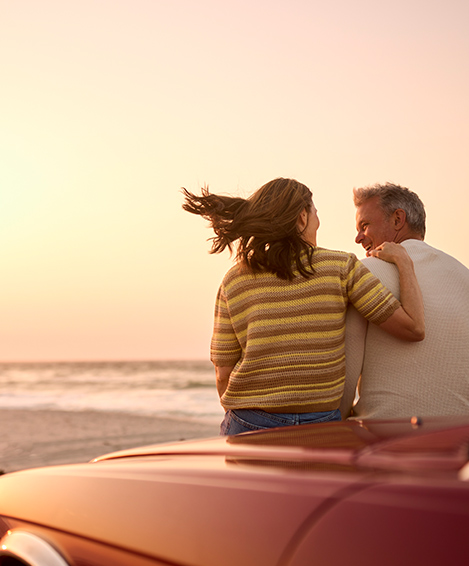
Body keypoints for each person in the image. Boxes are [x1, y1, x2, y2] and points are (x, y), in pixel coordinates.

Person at [182, 178, 425, 435]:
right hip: (320, 423)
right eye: (315, 214)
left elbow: (223, 372)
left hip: (248, 422)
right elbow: (414, 328)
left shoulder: (233, 281)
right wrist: (404, 263)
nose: (318, 222)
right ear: (301, 218)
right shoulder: (341, 267)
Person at [341, 182, 469, 420]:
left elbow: (347, 372)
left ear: (398, 220)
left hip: (387, 438)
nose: (357, 238)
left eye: (365, 225)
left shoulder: (365, 274)